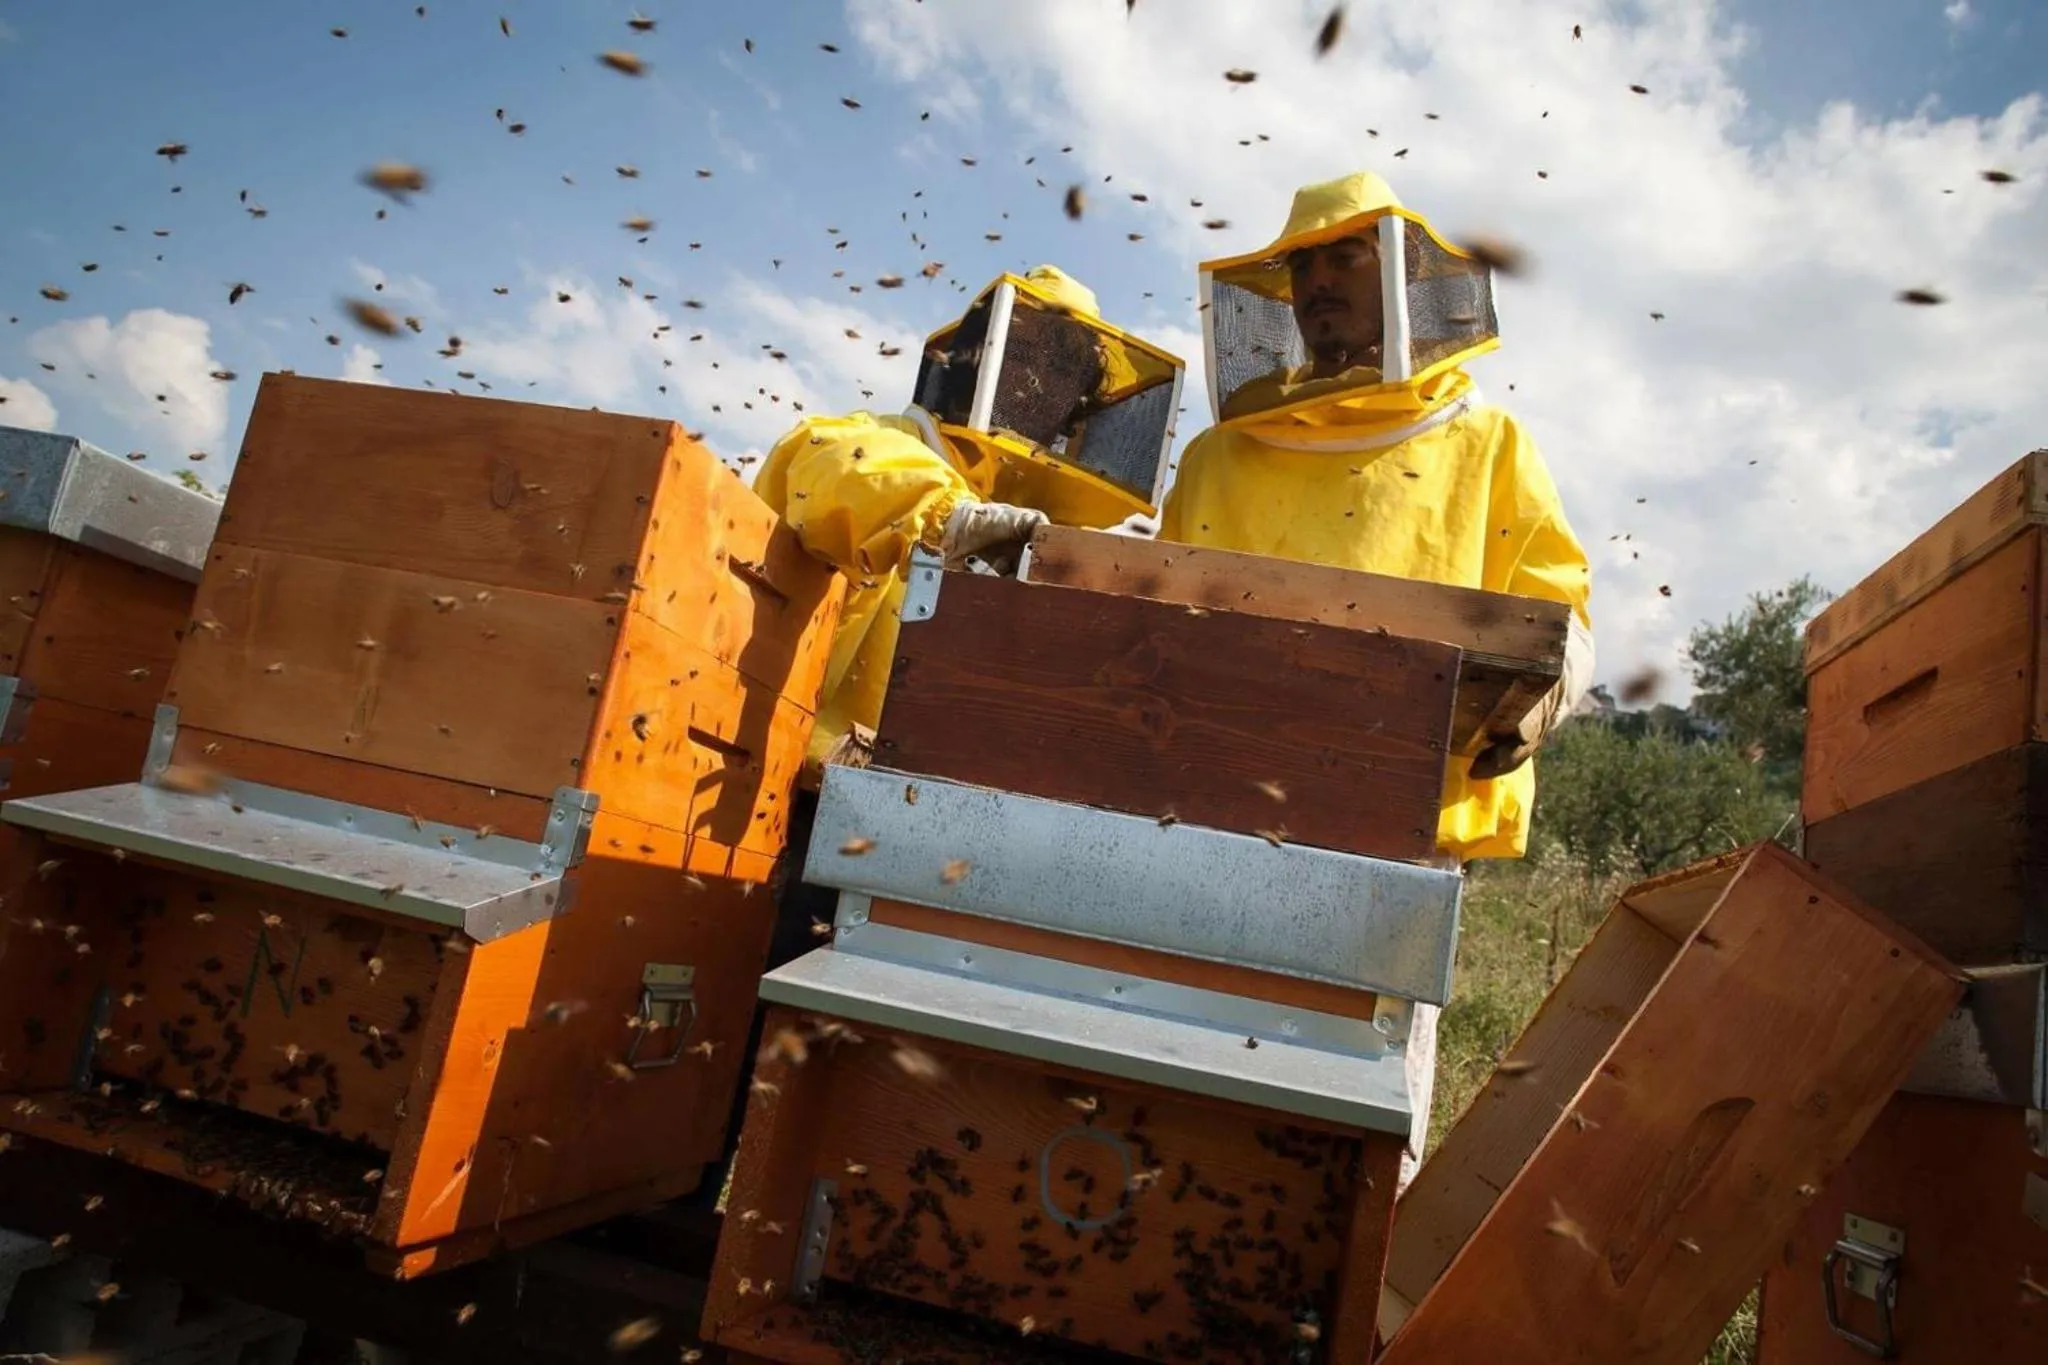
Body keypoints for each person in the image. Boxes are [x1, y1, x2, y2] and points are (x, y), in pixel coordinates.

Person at [1162, 171, 1596, 1189]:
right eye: (1302, 264)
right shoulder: (1218, 458)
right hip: (1211, 821)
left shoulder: (1487, 443)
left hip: (1396, 838)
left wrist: (1542, 690)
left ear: (1407, 278)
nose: (1317, 284)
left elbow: (1554, 606)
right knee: (1180, 1109)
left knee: (1348, 1149)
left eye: (1343, 259)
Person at [753, 263, 1184, 967]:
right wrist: (948, 522)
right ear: (982, 354)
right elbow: (835, 468)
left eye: (1067, 370)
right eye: (1033, 353)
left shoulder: (1037, 524)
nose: (1045, 383)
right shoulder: (891, 441)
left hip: (919, 827)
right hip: (794, 804)